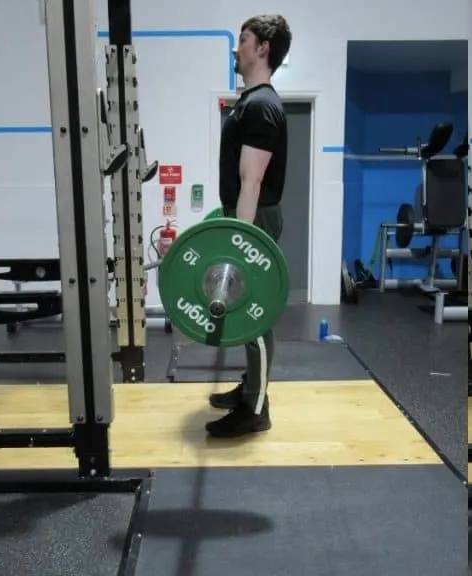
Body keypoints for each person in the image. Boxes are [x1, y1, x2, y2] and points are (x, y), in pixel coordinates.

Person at [205, 14, 292, 438]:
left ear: (263, 48)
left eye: (242, 40)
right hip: (245, 212)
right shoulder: (252, 101)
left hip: (253, 215)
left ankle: (256, 409)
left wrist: (241, 238)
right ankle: (251, 388)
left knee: (251, 312)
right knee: (245, 307)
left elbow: (252, 179)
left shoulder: (261, 106)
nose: (234, 47)